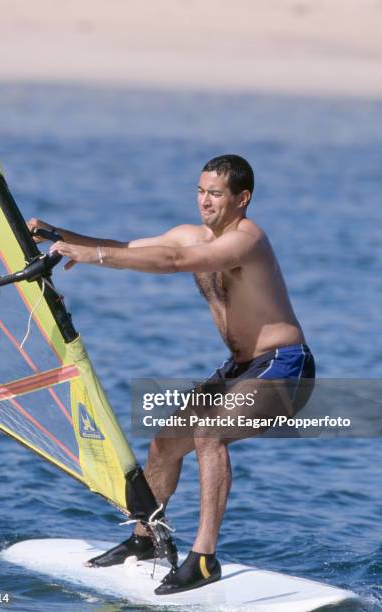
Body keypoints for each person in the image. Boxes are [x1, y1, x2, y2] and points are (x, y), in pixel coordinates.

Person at [28, 154, 315, 595]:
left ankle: (203, 559)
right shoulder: (189, 234)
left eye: (215, 193)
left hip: (285, 365)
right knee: (165, 443)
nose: (204, 200)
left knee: (208, 435)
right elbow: (131, 247)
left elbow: (176, 262)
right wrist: (61, 236)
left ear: (242, 198)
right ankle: (147, 540)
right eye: (200, 191)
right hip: (241, 367)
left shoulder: (247, 240)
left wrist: (92, 255)